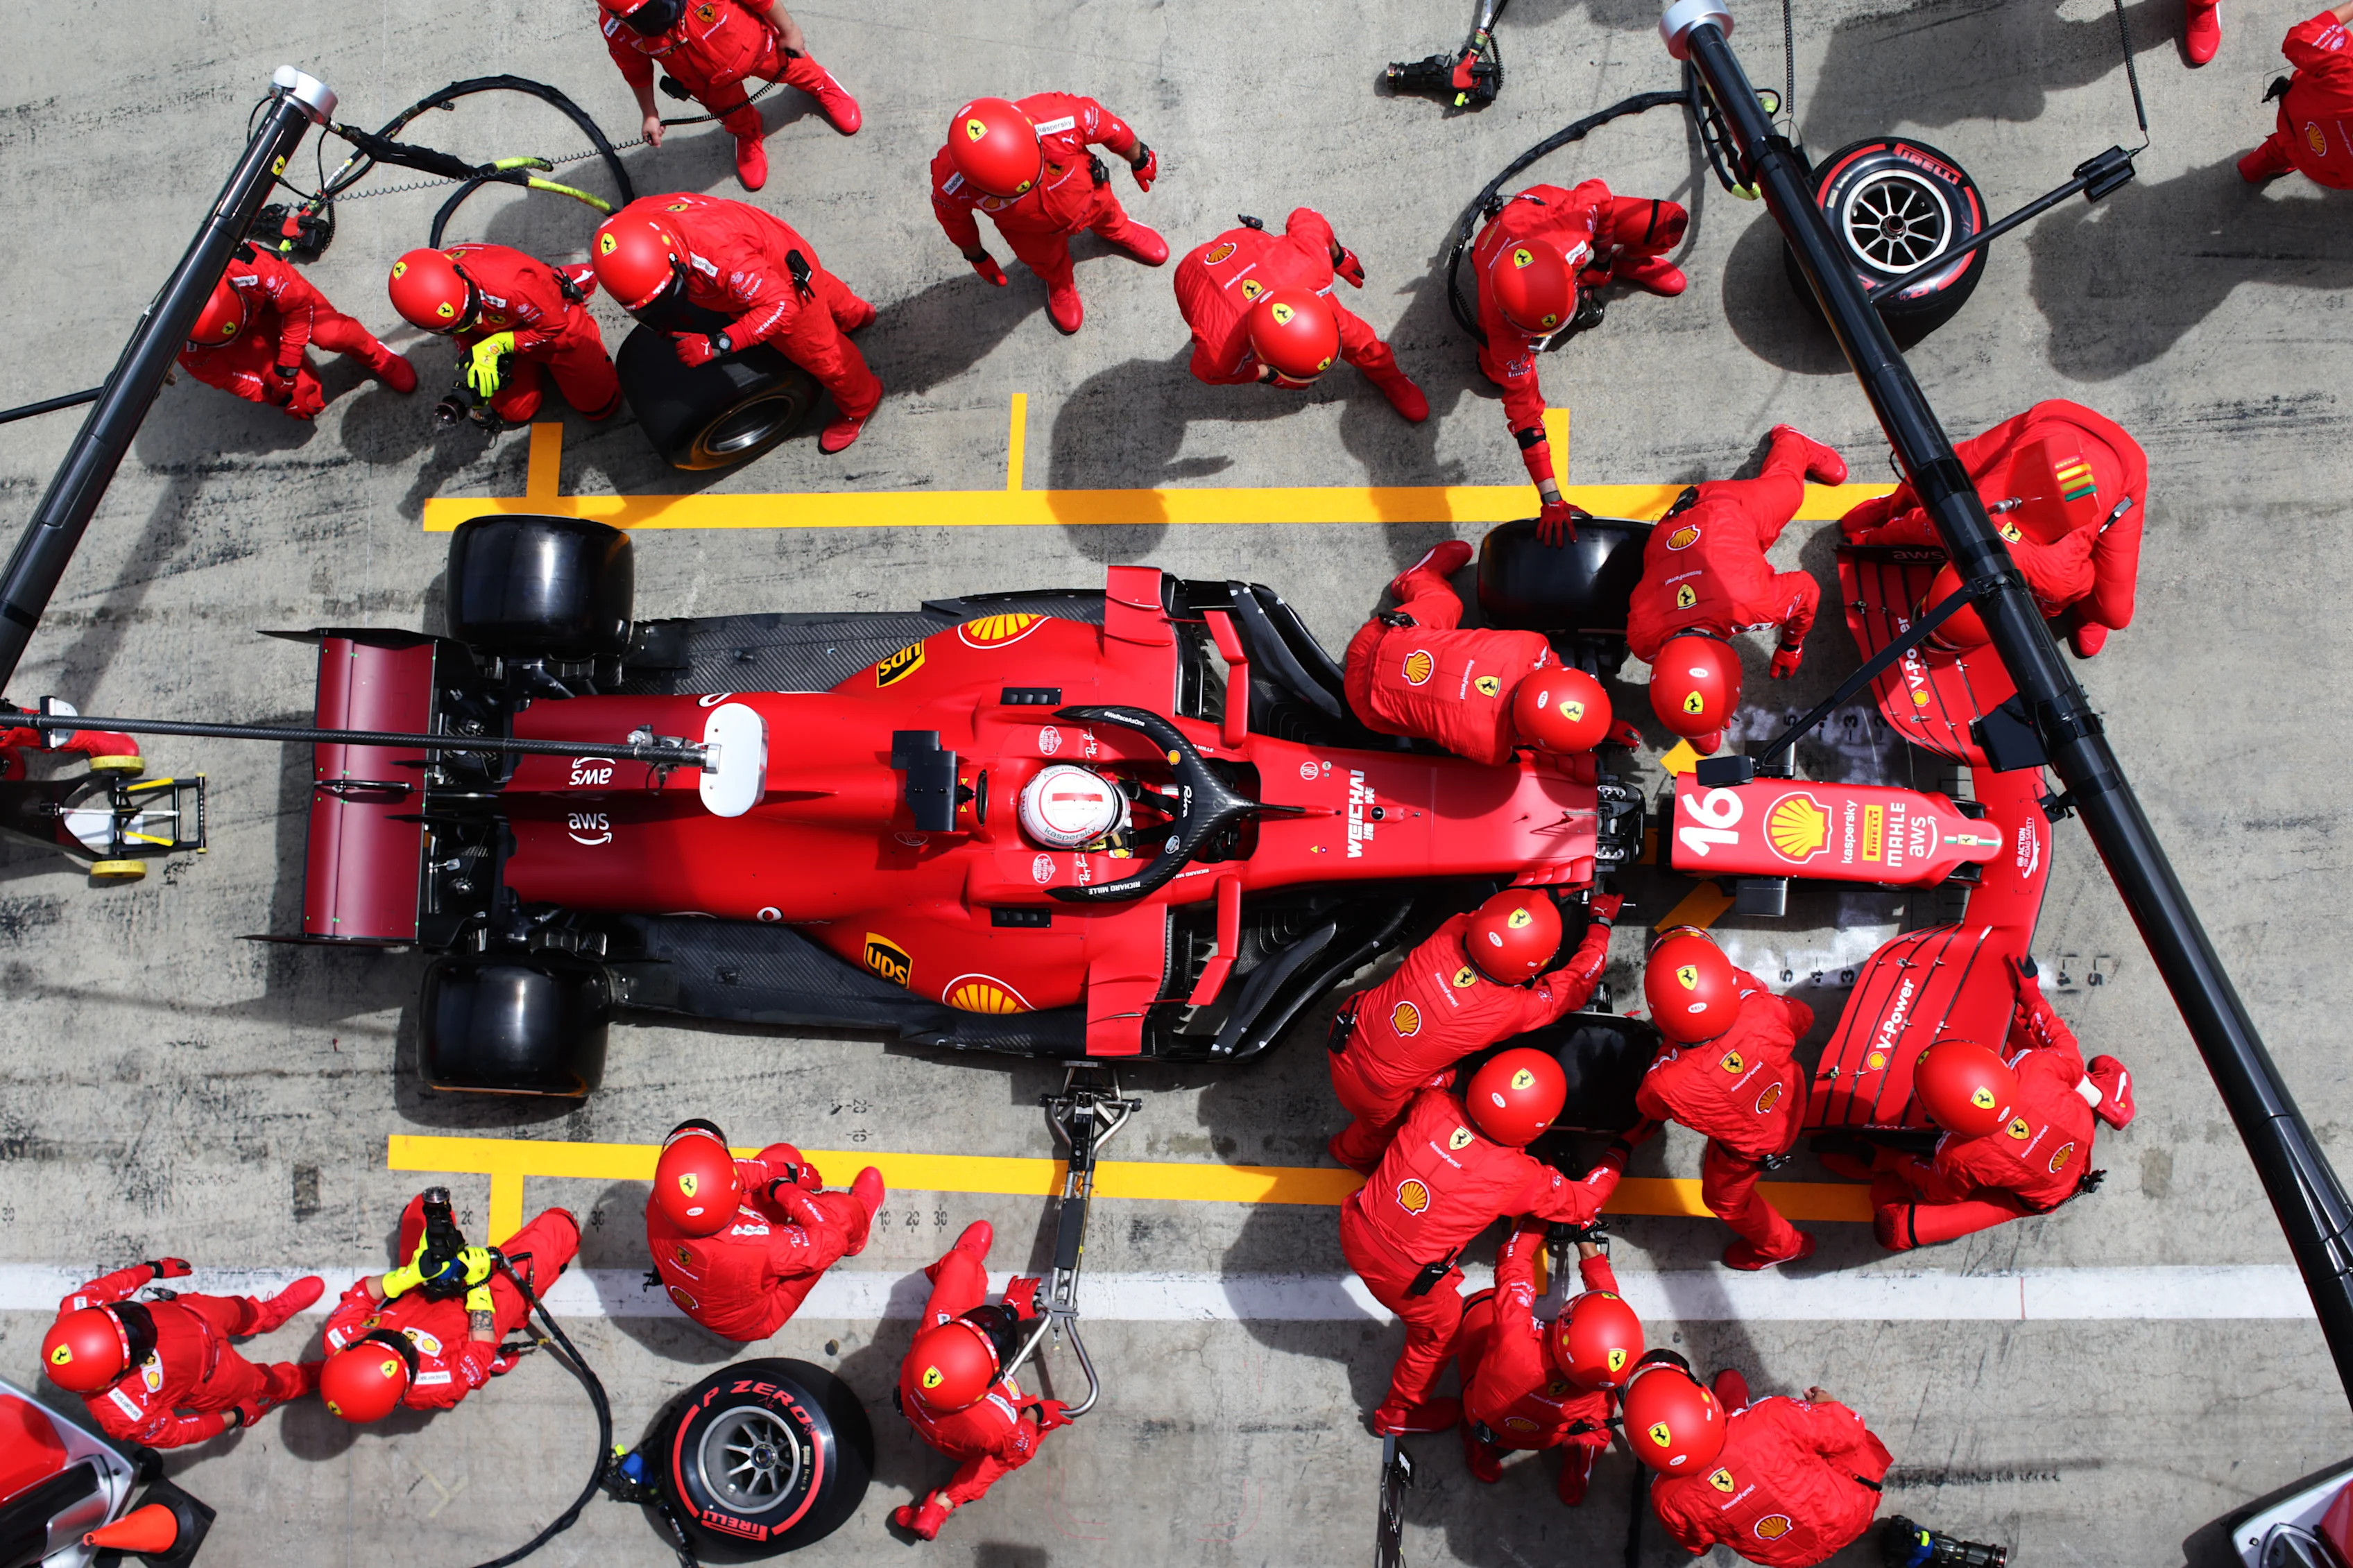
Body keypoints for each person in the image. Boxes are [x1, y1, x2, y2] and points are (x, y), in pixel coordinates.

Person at [1338, 1049, 1627, 1434]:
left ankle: (1344, 1149)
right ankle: (1398, 1416)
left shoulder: (1433, 1105)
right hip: (1406, 1279)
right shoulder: (1518, 1176)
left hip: (1355, 1226)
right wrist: (1622, 1150)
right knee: (1438, 1338)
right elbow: (1583, 1203)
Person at [1822, 960, 2134, 1252]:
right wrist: (2030, 994)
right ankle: (2110, 1104)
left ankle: (1881, 1171)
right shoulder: (2033, 1069)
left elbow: (1940, 1191)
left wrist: (1894, 1161)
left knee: (1895, 1230)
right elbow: (2064, 1049)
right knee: (2038, 1045)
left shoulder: (1958, 1155)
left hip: (2027, 1198)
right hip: (2075, 1148)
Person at [1326, 887, 1620, 1173]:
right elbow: (1577, 983)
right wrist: (1600, 924)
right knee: (1383, 1129)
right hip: (1375, 1094)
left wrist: (1546, 895)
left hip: (1346, 1030)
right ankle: (1347, 1154)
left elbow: (1493, 917)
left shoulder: (1450, 931)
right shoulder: (1508, 1010)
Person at [1838, 399, 2147, 659]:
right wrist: (1869, 540)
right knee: (1927, 477)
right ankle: (1888, 502)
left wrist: (1868, 541)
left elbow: (2078, 586)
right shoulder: (1957, 524)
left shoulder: (2057, 580)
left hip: (2121, 465)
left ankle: (2092, 615)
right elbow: (1911, 527)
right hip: (2052, 422)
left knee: (2113, 614)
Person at [1469, 181, 1688, 542]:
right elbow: (1524, 416)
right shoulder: (1503, 331)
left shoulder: (1572, 226)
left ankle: (1630, 261)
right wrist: (1551, 499)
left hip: (1541, 213)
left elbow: (1599, 195)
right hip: (1492, 250)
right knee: (1496, 373)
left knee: (1668, 220)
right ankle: (1622, 263)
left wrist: (1603, 258)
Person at [590, 193, 880, 452]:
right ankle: (856, 313)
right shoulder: (637, 218)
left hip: (783, 287)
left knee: (824, 356)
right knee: (820, 285)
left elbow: (781, 306)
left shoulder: (721, 260)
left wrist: (715, 345)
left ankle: (861, 404)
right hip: (779, 250)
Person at [1342, 540, 1641, 767]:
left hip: (1380, 638)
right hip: (1362, 700)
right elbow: (1537, 757)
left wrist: (1598, 722)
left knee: (1447, 604)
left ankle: (1419, 578)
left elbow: (1554, 678)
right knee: (1419, 730)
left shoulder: (1530, 646)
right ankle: (1415, 575)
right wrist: (1599, 735)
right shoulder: (1493, 749)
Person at [1626, 427, 1847, 732]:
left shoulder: (1755, 606)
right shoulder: (1643, 640)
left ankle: (1793, 441)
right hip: (1670, 527)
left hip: (1729, 506)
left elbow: (1806, 589)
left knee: (1790, 490)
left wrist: (1791, 645)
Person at [1633, 928, 1818, 1270]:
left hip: (1747, 1154)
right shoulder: (1762, 1008)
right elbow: (1802, 1018)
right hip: (1796, 1104)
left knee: (1725, 1202)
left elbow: (1648, 1108)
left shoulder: (1665, 1082)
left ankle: (1785, 1246)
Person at [316, 1194, 579, 1421]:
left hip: (419, 1287)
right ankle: (514, 1322)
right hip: (480, 1314)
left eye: (384, 1339)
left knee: (425, 1208)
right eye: (404, 1350)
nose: (402, 1339)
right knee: (562, 1227)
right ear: (402, 1391)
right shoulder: (440, 1383)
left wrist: (409, 1275)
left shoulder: (338, 1337)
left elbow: (362, 1294)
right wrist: (479, 1286)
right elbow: (480, 1349)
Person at [891, 1220, 1072, 1542]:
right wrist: (1040, 1415)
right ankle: (944, 1502)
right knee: (1016, 1442)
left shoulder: (931, 1341)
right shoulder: (996, 1422)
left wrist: (1009, 1312)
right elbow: (1021, 1447)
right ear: (984, 1390)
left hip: (916, 1409)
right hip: (965, 1439)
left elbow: (960, 1332)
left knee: (960, 1264)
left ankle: (960, 1262)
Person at [930, 93, 1165, 336]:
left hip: (1090, 196)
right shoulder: (950, 184)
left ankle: (1121, 230)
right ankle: (1059, 283)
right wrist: (976, 256)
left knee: (1109, 215)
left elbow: (1107, 126)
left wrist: (1140, 156)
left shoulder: (1061, 116)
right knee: (1046, 261)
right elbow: (954, 220)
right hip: (1030, 233)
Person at [1173, 209, 1426, 420]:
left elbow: (1307, 218)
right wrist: (1267, 375)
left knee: (1360, 340)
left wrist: (1338, 257)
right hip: (1190, 278)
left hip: (1256, 254)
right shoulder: (1220, 354)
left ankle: (1392, 378)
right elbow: (1210, 373)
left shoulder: (1310, 264)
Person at [644, 1118, 884, 1340]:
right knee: (841, 1211)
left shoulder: (663, 1199)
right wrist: (785, 1189)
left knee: (782, 1156)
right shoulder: (760, 1245)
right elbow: (829, 1239)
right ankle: (858, 1235)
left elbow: (731, 1171)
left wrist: (784, 1171)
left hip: (691, 1293)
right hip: (754, 1321)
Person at [42, 1258, 322, 1449]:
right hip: (214, 1376)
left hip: (193, 1313)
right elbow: (180, 1432)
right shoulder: (124, 1415)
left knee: (241, 1309)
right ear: (113, 1379)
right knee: (265, 1384)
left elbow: (115, 1283)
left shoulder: (79, 1307)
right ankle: (306, 1379)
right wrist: (235, 1416)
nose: (143, 1325)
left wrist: (153, 1269)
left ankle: (268, 1315)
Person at [1455, 1221, 1642, 1506]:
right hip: (1547, 1436)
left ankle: (1480, 1448)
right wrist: (1586, 1241)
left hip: (1489, 1419)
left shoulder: (1515, 1343)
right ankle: (1581, 1459)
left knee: (1482, 1308)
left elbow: (1513, 1262)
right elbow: (1609, 1305)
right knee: (1603, 1410)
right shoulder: (1600, 1377)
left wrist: (1540, 1217)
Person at [1645, 1365, 1894, 1567]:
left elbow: (1698, 1544)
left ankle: (1732, 1409)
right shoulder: (1767, 1417)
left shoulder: (1665, 1498)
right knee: (1848, 1443)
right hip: (1851, 1515)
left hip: (1788, 1556)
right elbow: (1849, 1432)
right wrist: (1827, 1406)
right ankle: (1732, 1410)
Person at [597, 0, 857, 191]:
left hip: (757, 47)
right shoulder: (615, 31)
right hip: (707, 84)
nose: (656, 20)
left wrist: (789, 31)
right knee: (732, 114)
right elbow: (635, 70)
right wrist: (650, 114)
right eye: (642, 18)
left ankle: (821, 86)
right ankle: (747, 134)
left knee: (798, 70)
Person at [386, 245, 620, 429]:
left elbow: (555, 325)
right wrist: (476, 363)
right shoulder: (441, 293)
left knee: (600, 407)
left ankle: (575, 291)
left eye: (469, 313)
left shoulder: (513, 286)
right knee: (515, 412)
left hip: (553, 322)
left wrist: (499, 344)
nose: (471, 321)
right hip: (501, 329)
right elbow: (463, 331)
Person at [178, 243, 416, 420]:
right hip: (248, 339)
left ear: (234, 287)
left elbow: (297, 305)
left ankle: (378, 356)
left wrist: (287, 366)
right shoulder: (179, 347)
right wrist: (272, 392)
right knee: (303, 399)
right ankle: (251, 344)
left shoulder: (253, 267)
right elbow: (227, 378)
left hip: (279, 304)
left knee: (332, 333)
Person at [2239, 4, 2353, 184]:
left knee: (2289, 143)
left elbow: (2300, 38)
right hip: (2329, 173)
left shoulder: (2346, 62)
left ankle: (2257, 164)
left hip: (2296, 122)